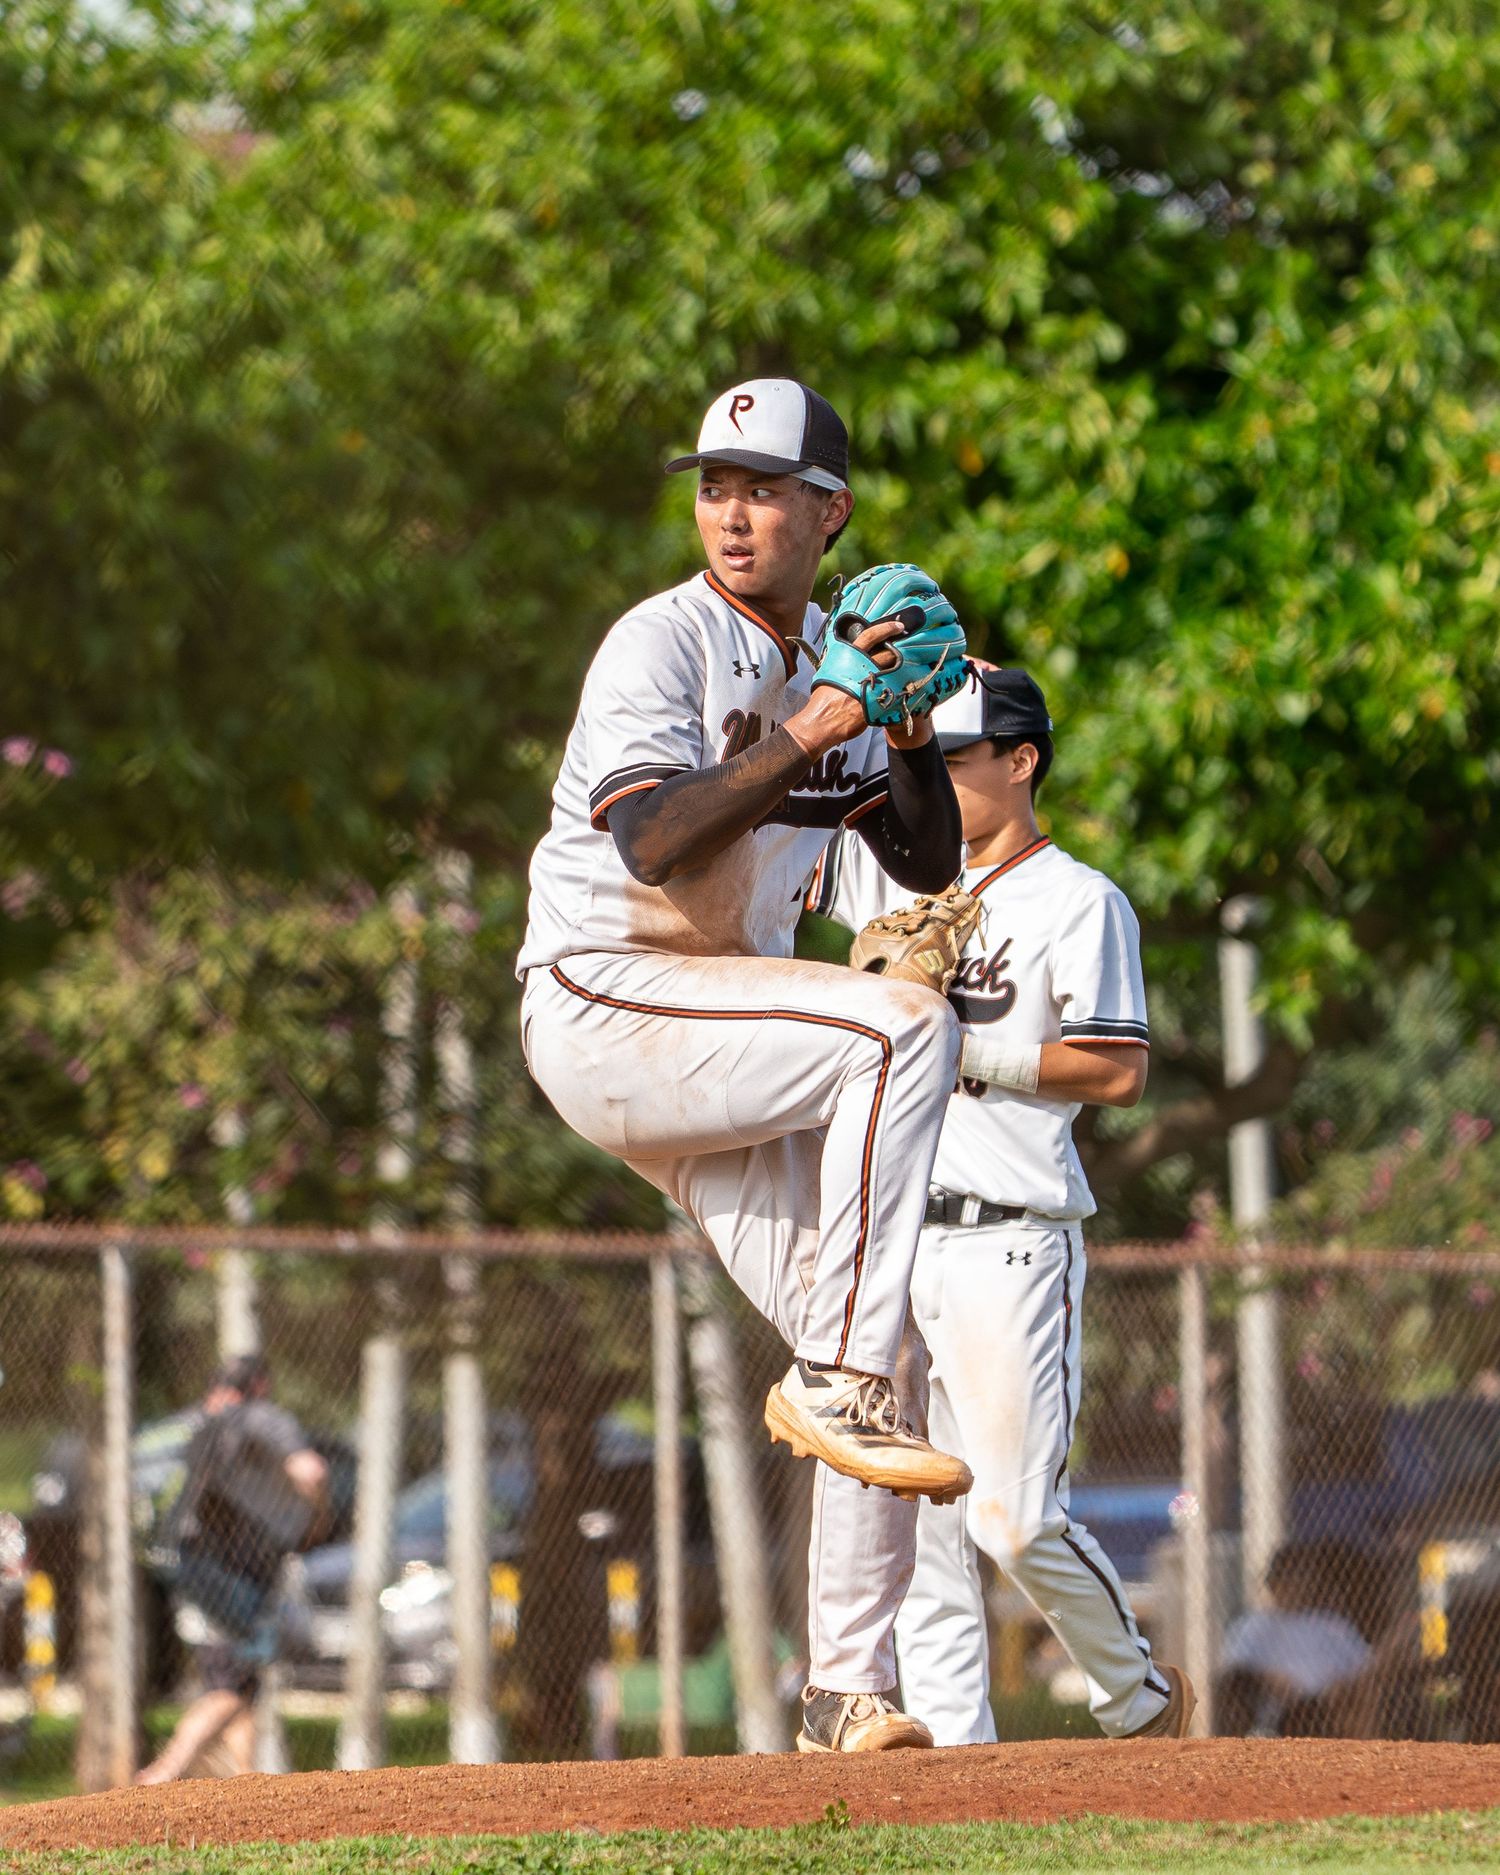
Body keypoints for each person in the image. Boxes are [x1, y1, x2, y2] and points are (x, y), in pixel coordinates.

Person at [518, 377, 975, 1752]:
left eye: (764, 486)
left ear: (827, 511)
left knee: (883, 1344)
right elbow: (654, 841)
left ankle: (845, 1685)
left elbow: (925, 857)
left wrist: (898, 728)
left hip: (725, 1038)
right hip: (612, 994)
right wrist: (824, 725)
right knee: (898, 1022)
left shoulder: (839, 650)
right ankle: (828, 1376)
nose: (731, 509)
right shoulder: (658, 642)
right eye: (714, 483)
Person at [808, 665, 1196, 1742]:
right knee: (920, 1536)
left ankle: (1137, 1694)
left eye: (956, 757)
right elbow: (782, 854)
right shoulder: (885, 872)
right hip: (887, 1241)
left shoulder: (1080, 901)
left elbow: (1117, 1071)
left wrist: (958, 1047)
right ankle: (960, 1770)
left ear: (1022, 762)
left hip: (1009, 1239)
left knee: (1014, 1523)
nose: (928, 774)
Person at [134, 1355, 328, 1784]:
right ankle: (165, 1771)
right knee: (231, 1685)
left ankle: (246, 1779)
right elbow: (310, 1471)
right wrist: (317, 1514)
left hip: (183, 1567)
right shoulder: (260, 1417)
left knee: (240, 1679)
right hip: (235, 1577)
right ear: (259, 1384)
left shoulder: (187, 1424)